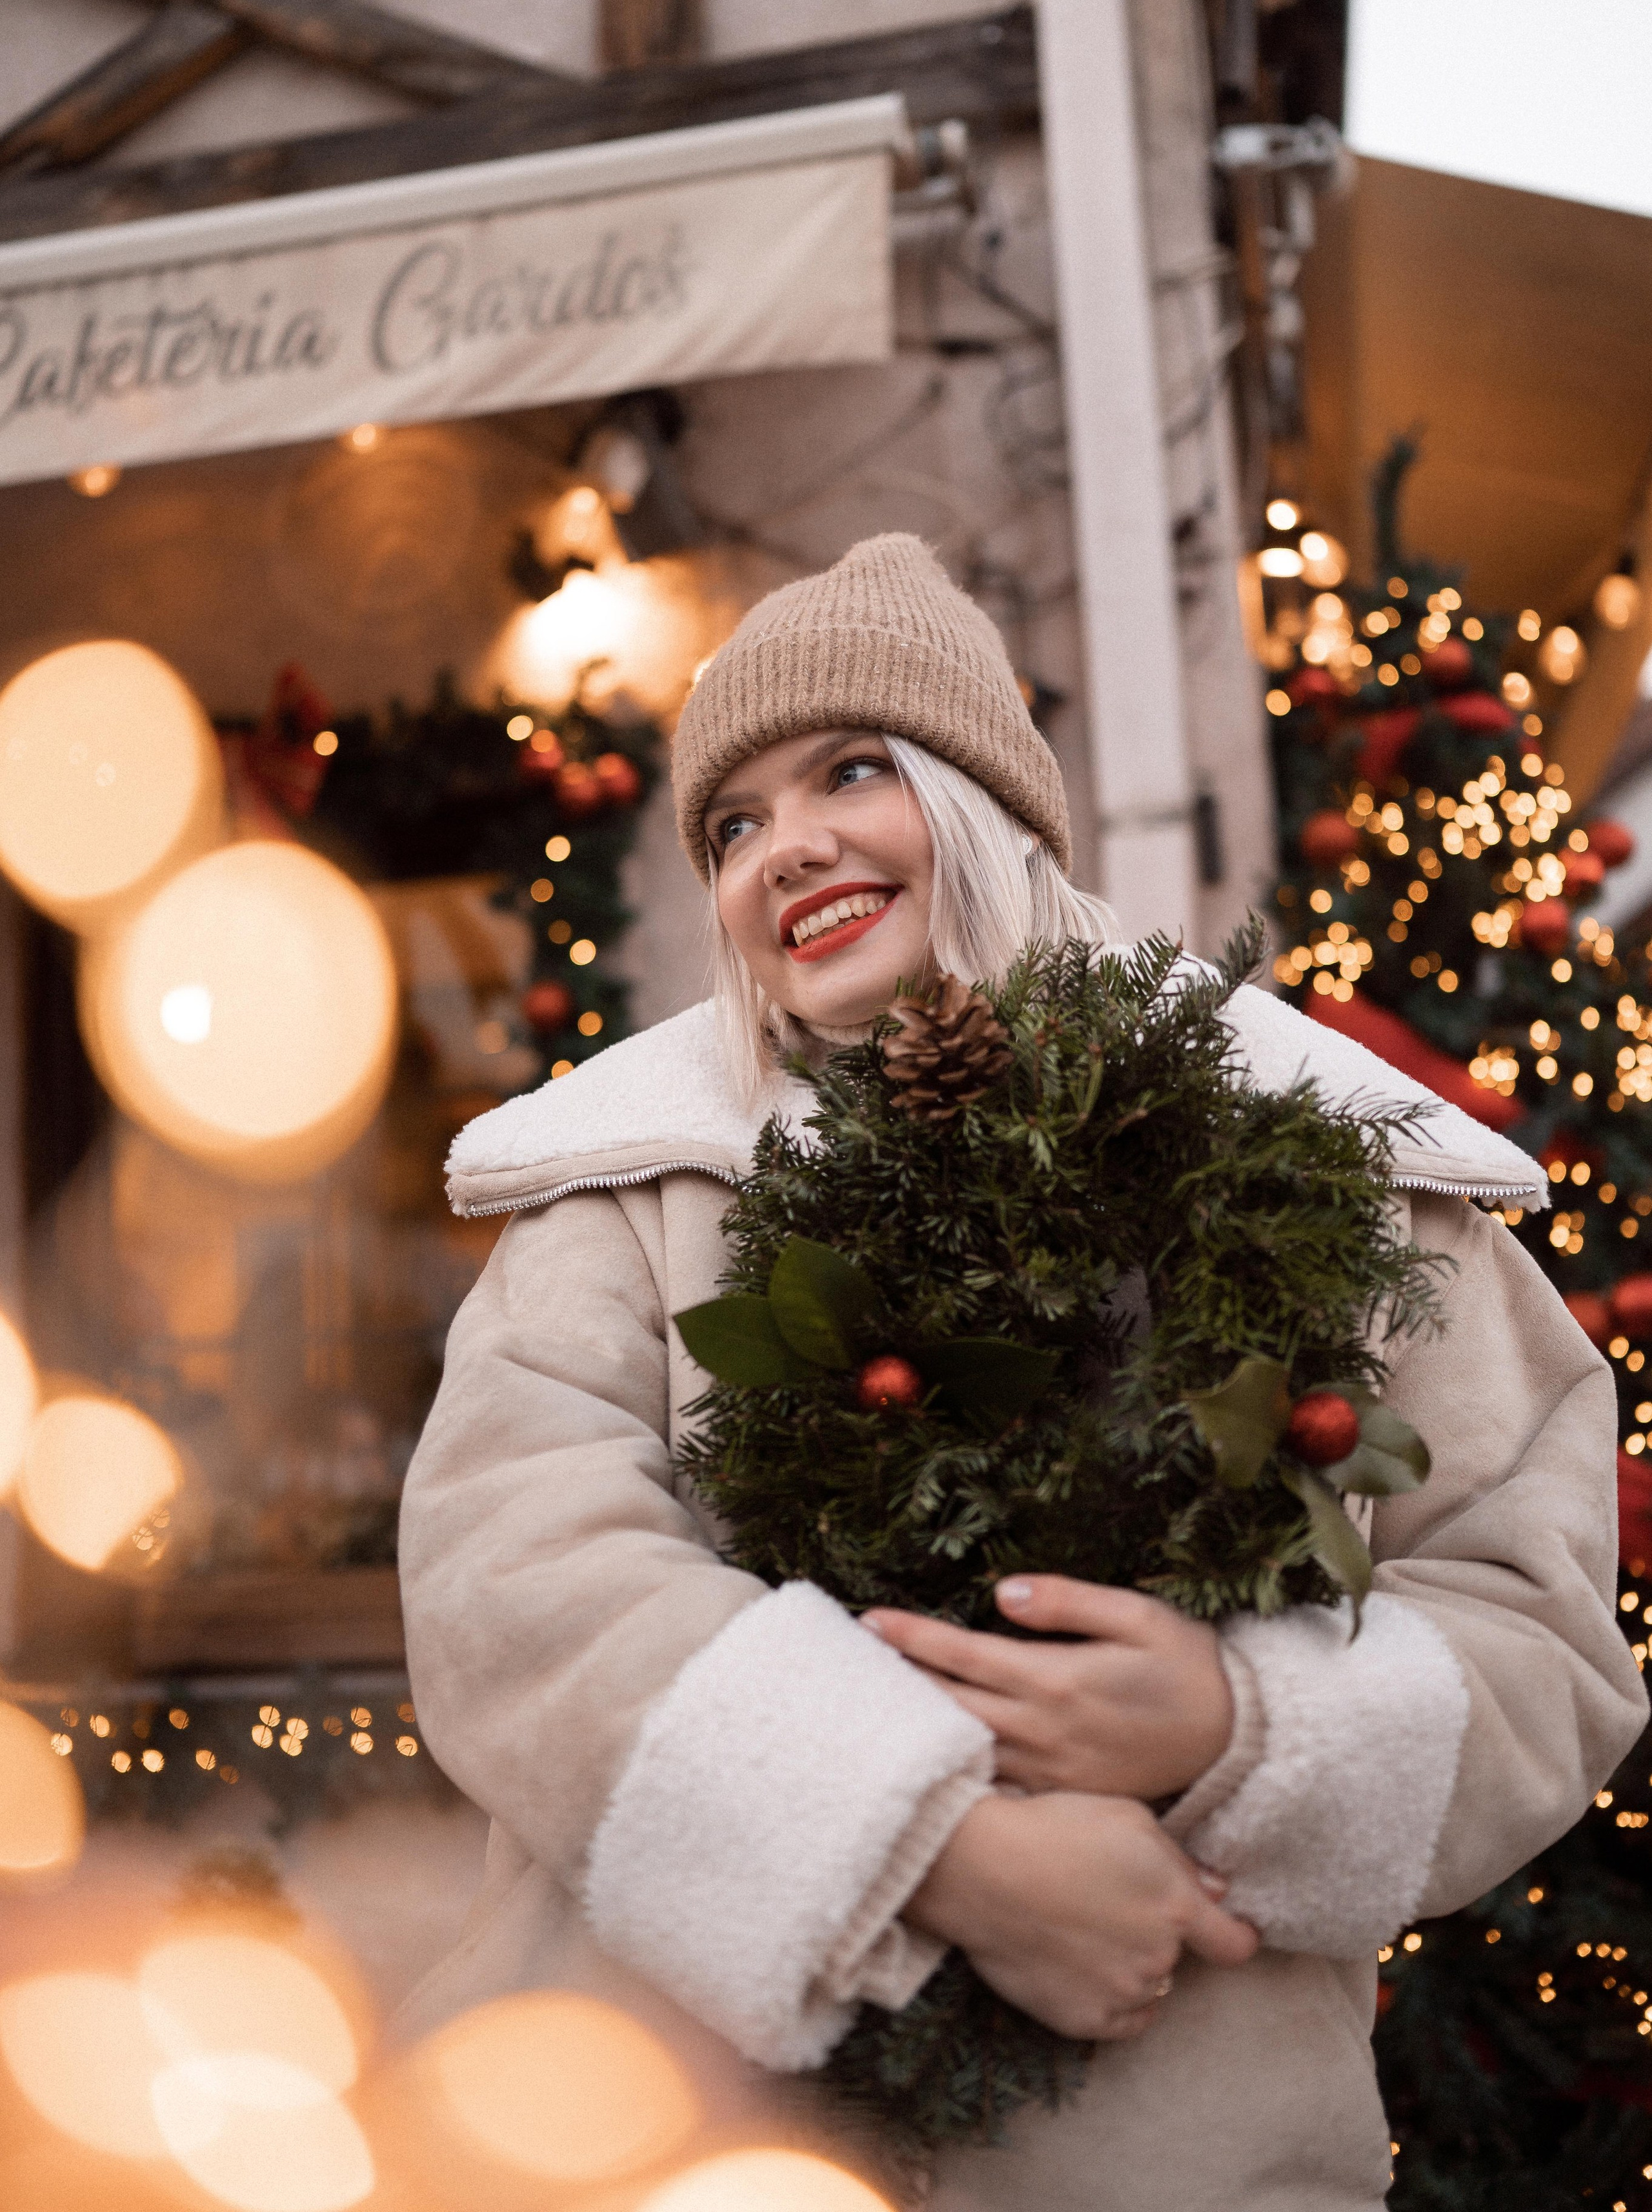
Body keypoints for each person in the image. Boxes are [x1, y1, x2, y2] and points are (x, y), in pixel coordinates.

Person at [399, 534, 1646, 2211]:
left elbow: (1540, 1626)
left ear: (979, 795)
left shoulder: (1321, 1160)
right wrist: (938, 1851)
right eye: (735, 821)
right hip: (663, 2144)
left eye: (852, 768)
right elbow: (516, 1585)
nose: (791, 847)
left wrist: (1236, 1724)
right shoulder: (626, 1186)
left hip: (1182, 2158)